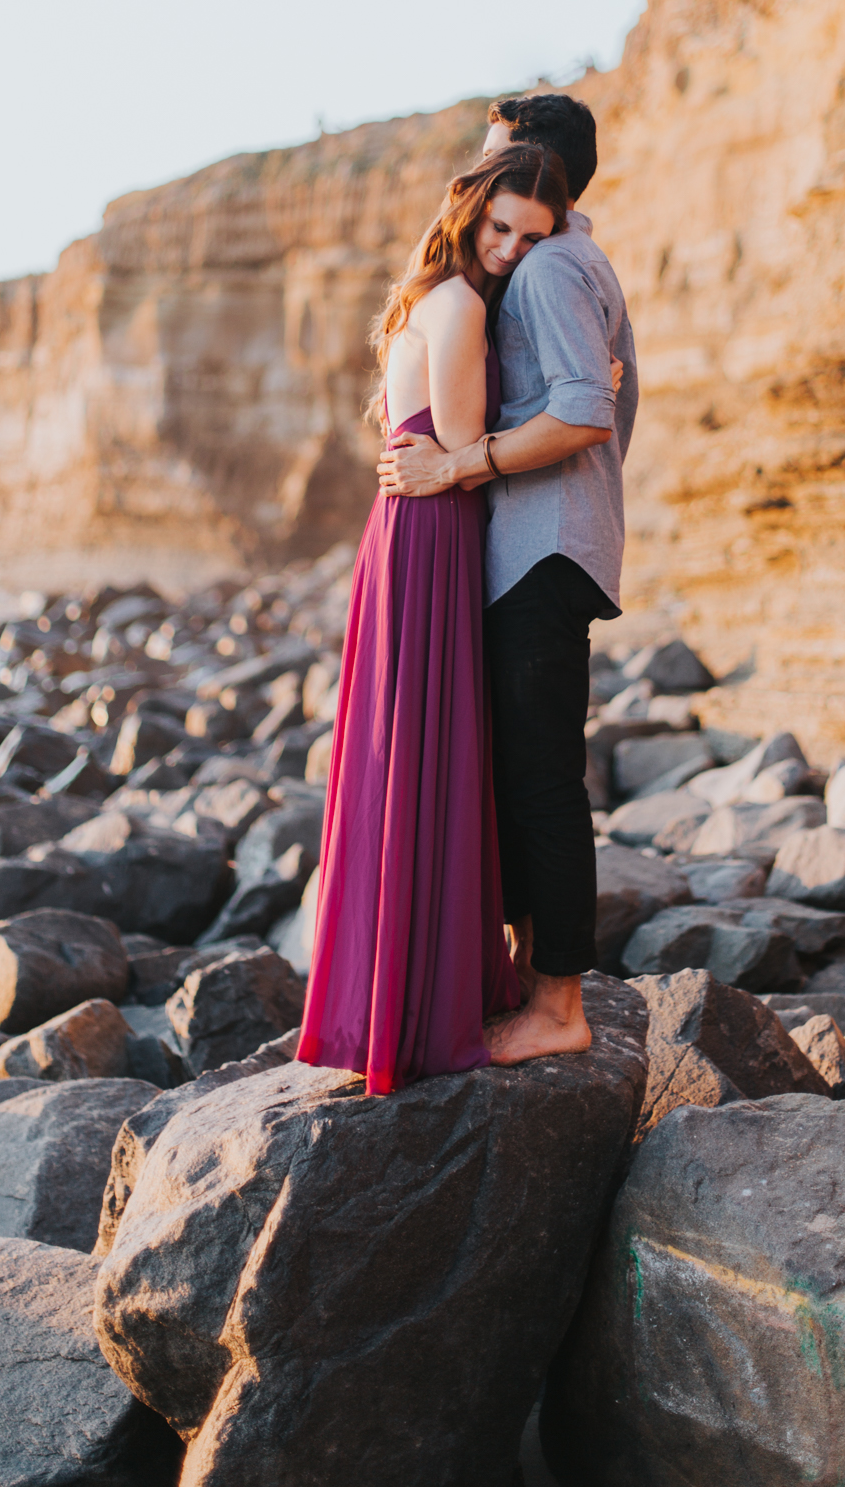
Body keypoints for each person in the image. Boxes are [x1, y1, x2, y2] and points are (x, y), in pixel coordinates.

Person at [296, 141, 572, 1094]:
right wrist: (575, 403)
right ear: (470, 211)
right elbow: (458, 445)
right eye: (500, 227)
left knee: (414, 751)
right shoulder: (456, 306)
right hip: (434, 527)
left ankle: (398, 991)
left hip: (414, 526)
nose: (509, 250)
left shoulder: (430, 298)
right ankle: (418, 1004)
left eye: (532, 239)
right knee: (425, 749)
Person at [378, 91, 638, 1066]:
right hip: (548, 541)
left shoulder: (549, 270)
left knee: (538, 785)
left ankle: (557, 1004)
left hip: (541, 550)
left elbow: (585, 413)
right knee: (524, 777)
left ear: (534, 166)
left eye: (494, 157)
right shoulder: (569, 259)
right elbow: (615, 398)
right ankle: (532, 983)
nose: (478, 172)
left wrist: (461, 464)